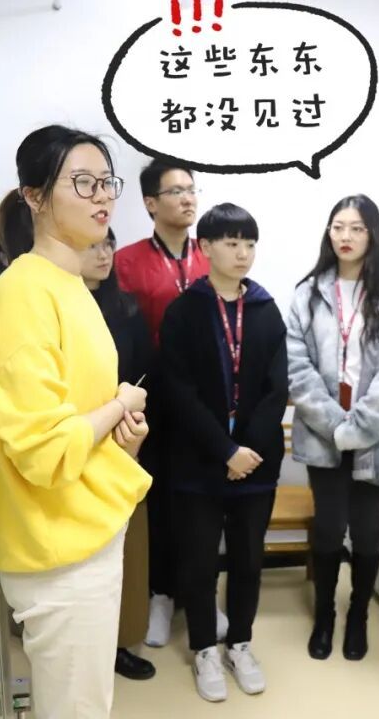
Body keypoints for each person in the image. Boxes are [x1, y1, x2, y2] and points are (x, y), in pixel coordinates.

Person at [0, 125, 152, 718]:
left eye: (107, 182)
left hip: (87, 527)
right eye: (82, 182)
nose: (102, 196)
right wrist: (120, 406)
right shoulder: (25, 290)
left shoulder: (71, 283)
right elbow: (44, 449)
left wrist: (122, 436)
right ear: (34, 196)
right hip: (58, 550)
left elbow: (76, 414)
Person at [286, 194, 379, 662]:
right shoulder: (308, 293)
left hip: (377, 438)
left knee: (367, 533)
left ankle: (358, 614)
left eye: (357, 228)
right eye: (338, 227)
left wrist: (359, 427)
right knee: (328, 531)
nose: (345, 236)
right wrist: (333, 424)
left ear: (373, 234)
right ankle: (324, 614)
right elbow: (296, 366)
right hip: (322, 434)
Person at [158, 203, 287, 702]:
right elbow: (178, 391)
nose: (243, 253)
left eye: (249, 243)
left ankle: (241, 643)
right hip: (198, 462)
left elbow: (277, 388)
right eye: (232, 243)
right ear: (205, 247)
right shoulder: (184, 311)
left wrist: (246, 449)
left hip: (255, 464)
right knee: (198, 563)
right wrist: (224, 449)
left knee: (249, 559)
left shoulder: (266, 310)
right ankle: (204, 650)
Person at [114, 159, 222, 649]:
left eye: (192, 189)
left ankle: (203, 596)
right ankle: (159, 594)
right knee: (157, 502)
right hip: (152, 404)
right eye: (175, 191)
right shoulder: (127, 262)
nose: (188, 198)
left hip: (206, 404)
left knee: (204, 504)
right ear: (150, 203)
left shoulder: (213, 255)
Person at [76, 228, 157, 681]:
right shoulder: (62, 306)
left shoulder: (125, 308)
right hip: (76, 443)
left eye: (108, 244)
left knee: (127, 547)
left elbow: (147, 374)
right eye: (92, 245)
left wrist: (132, 422)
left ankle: (121, 643)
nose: (104, 254)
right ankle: (86, 647)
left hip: (126, 441)